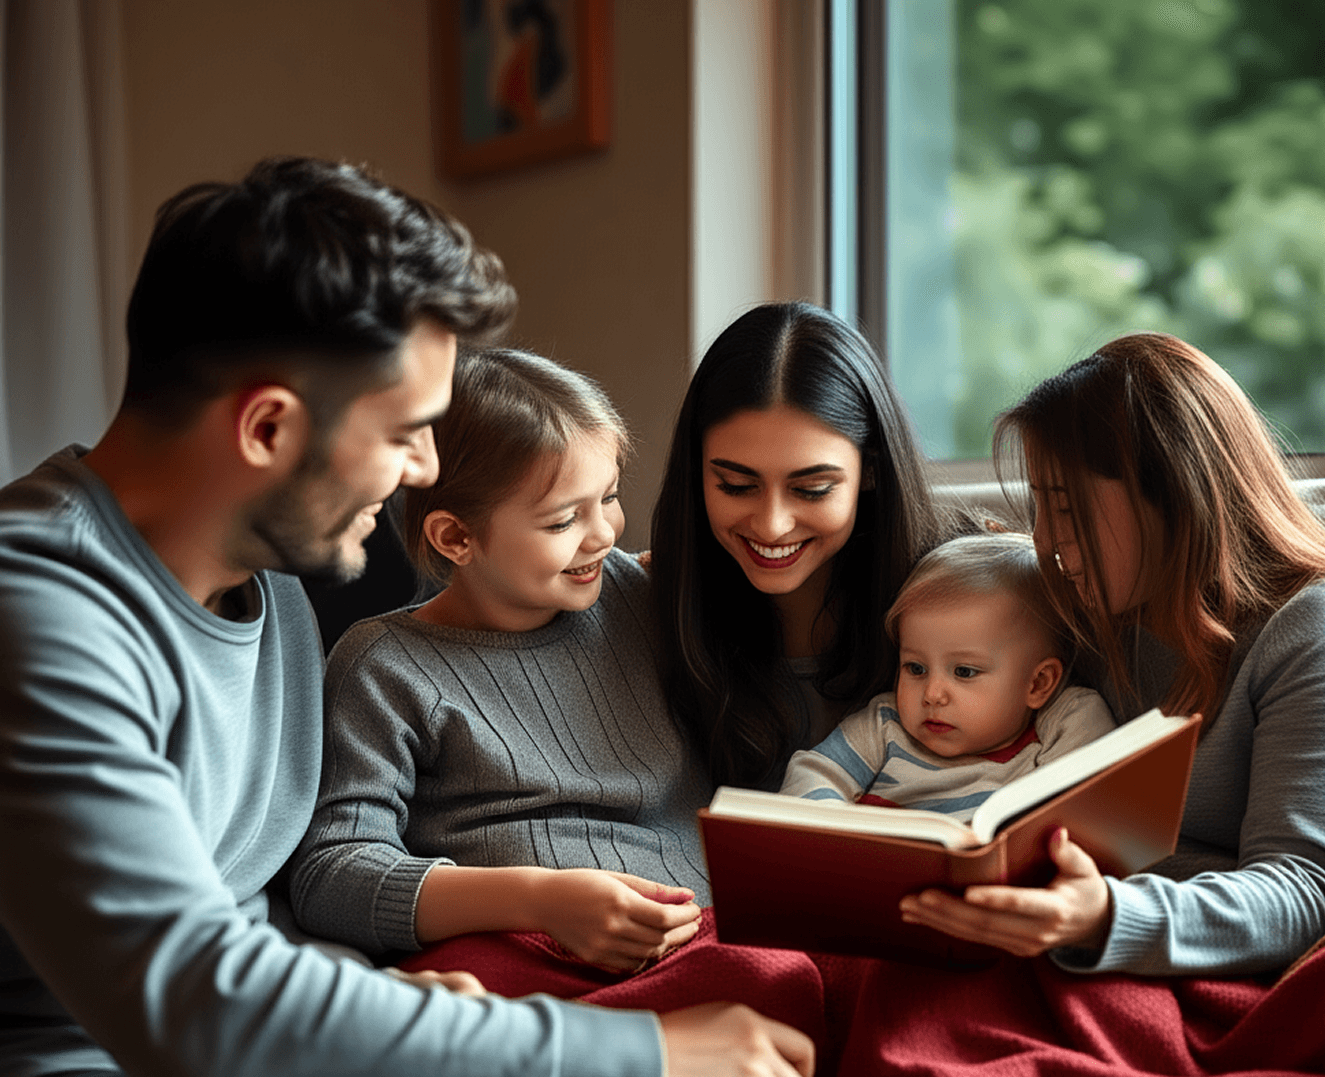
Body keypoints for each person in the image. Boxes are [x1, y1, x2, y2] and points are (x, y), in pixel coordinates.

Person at [0, 156, 814, 1077]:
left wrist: (399, 1009)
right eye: (401, 432)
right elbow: (193, 997)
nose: (427, 467)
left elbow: (255, 921)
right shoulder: (40, 612)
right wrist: (642, 1050)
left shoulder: (269, 591)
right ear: (267, 429)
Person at [896, 331, 1325, 976]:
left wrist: (1106, 916)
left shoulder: (1316, 629)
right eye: (1040, 507)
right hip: (1035, 945)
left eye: (1067, 508)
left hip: (1167, 962)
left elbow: (1306, 892)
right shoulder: (1088, 607)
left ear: (1171, 493)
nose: (1046, 541)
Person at [291, 348, 713, 975]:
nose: (603, 534)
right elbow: (332, 873)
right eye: (564, 519)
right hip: (515, 943)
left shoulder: (640, 597)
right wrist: (538, 900)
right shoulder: (386, 667)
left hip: (696, 932)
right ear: (456, 538)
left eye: (610, 498)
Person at [650, 301, 943, 792]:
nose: (771, 525)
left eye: (811, 489)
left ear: (870, 471)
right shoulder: (654, 611)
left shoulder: (971, 591)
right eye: (736, 486)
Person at [779, 531, 1115, 817]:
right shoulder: (885, 724)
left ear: (1039, 683)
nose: (932, 693)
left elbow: (1094, 803)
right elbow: (812, 774)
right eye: (916, 668)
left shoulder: (1059, 722)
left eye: (964, 671)